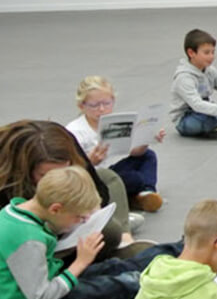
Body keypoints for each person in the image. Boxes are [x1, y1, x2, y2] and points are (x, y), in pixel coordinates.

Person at [0, 167, 179, 299]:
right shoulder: (27, 240)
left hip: (51, 279)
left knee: (113, 266)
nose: (82, 221)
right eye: (78, 217)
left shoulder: (17, 210)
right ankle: (174, 278)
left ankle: (182, 249)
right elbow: (41, 298)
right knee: (117, 284)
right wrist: (80, 263)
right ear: (56, 209)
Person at [0, 120, 131, 286]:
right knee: (110, 231)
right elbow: (4, 247)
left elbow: (99, 187)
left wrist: (90, 210)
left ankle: (124, 233)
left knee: (107, 177)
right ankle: (122, 233)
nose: (58, 179)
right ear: (25, 169)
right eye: (45, 176)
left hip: (46, 226)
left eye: (65, 170)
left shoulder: (65, 143)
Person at [65, 76, 166, 212]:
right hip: (95, 177)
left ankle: (146, 194)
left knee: (148, 155)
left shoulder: (114, 122)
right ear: (81, 106)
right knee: (132, 178)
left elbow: (134, 152)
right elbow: (70, 168)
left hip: (114, 168)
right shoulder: (75, 131)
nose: (101, 109)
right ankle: (135, 194)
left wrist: (145, 139)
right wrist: (90, 161)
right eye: (94, 105)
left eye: (107, 103)